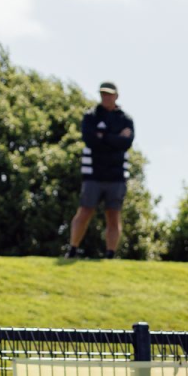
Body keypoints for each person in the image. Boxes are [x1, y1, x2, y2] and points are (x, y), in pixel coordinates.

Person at [66, 81, 134, 259]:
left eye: (109, 94)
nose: (106, 97)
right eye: (103, 94)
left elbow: (125, 143)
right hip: (93, 175)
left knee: (113, 215)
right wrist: (115, 138)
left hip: (116, 176)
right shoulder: (91, 116)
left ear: (116, 96)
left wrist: (104, 137)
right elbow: (91, 140)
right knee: (84, 212)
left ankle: (110, 253)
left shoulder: (125, 119)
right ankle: (72, 249)